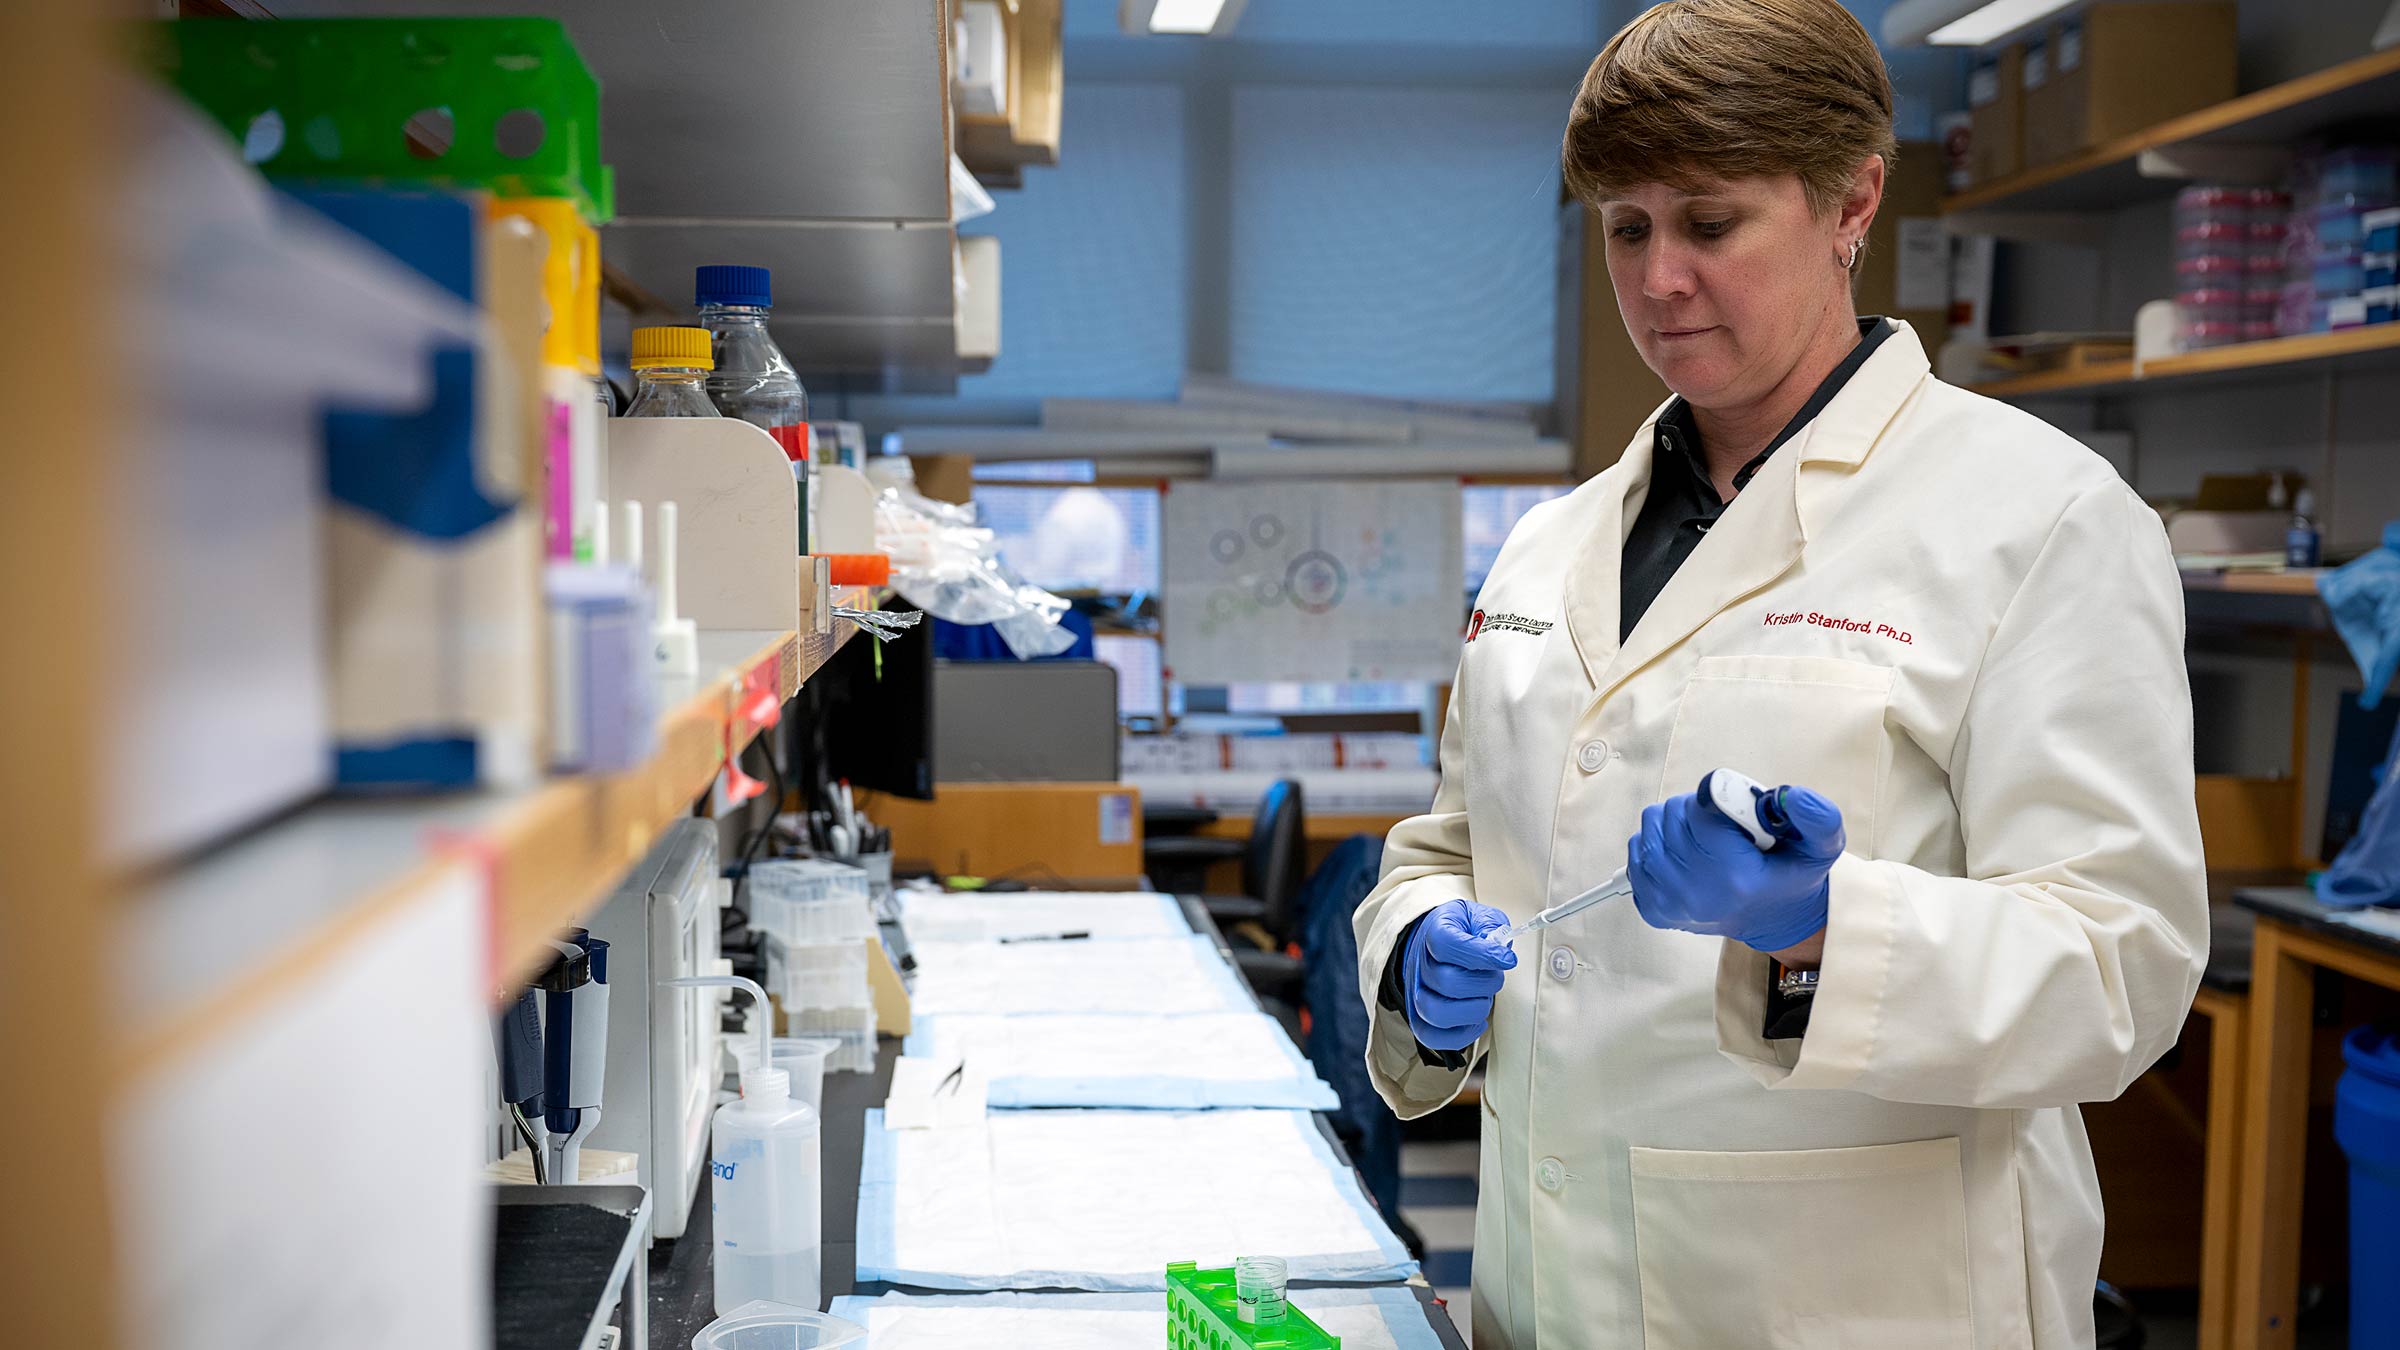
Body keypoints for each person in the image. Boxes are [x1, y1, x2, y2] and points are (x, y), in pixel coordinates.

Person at [1351, 2, 2208, 1346]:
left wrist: (1823, 927)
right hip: (1543, 1293)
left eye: (1709, 223)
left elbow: (2124, 966)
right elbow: (1452, 849)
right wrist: (1412, 955)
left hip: (1851, 1303)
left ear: (1852, 199)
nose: (1657, 278)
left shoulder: (2039, 518)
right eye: (1626, 228)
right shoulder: (1545, 546)